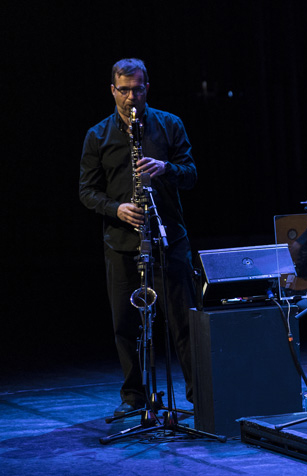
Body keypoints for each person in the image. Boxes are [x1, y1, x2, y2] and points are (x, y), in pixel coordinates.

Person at [79, 58, 198, 417]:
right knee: (126, 326)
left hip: (168, 240)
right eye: (125, 90)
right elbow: (86, 191)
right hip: (122, 244)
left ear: (148, 88)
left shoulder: (169, 125)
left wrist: (166, 169)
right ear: (112, 90)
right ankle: (134, 397)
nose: (132, 98)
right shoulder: (98, 135)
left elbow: (191, 174)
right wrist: (117, 209)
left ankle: (199, 394)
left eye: (138, 89)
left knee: (185, 323)